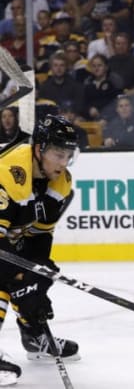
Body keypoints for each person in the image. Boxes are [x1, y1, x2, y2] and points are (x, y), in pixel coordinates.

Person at [0, 115, 81, 386]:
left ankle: (34, 336)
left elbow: (39, 238)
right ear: (39, 148)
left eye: (68, 155)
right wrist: (19, 278)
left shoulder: (60, 185)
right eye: (58, 154)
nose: (63, 162)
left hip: (6, 239)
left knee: (40, 273)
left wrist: (34, 291)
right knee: (4, 277)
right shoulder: (9, 172)